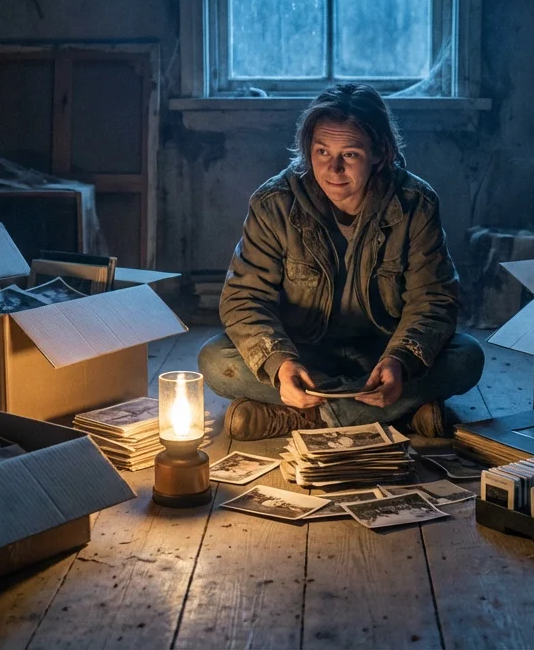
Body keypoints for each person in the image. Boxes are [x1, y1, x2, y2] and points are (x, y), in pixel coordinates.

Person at [197, 83, 485, 441]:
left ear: (379, 153)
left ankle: (304, 417)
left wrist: (400, 361)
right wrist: (281, 364)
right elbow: (244, 299)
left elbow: (433, 300)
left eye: (349, 155)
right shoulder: (274, 203)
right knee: (215, 360)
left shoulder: (416, 203)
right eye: (321, 152)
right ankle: (398, 414)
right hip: (303, 354)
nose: (333, 169)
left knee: (467, 357)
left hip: (382, 353)